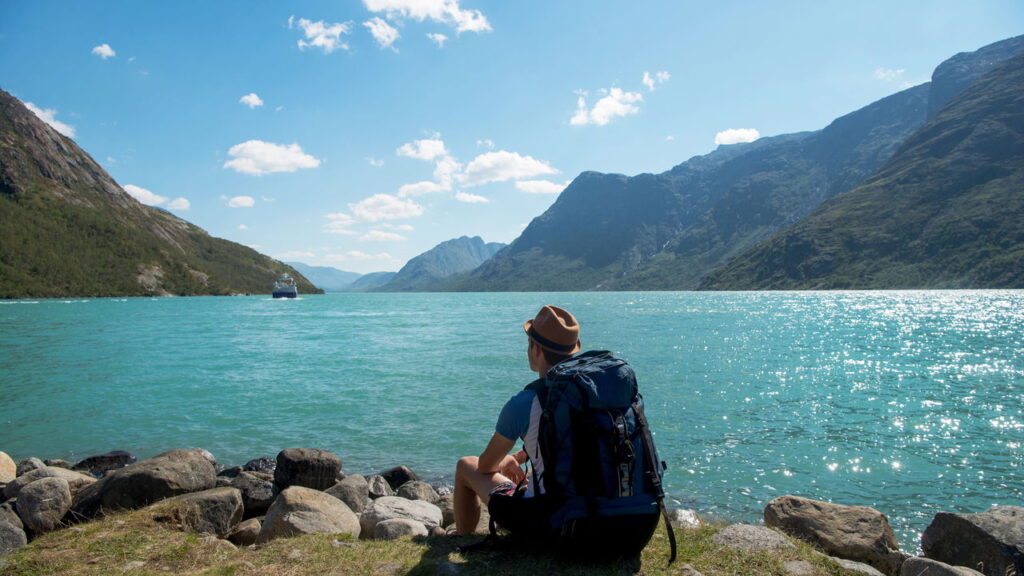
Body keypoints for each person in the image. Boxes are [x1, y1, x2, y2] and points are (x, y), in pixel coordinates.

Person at [453, 304, 581, 535]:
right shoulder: (595, 394)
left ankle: (461, 537)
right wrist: (522, 455)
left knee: (466, 466)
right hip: (623, 525)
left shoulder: (526, 402)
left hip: (556, 525)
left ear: (537, 349)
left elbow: (486, 466)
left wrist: (505, 461)